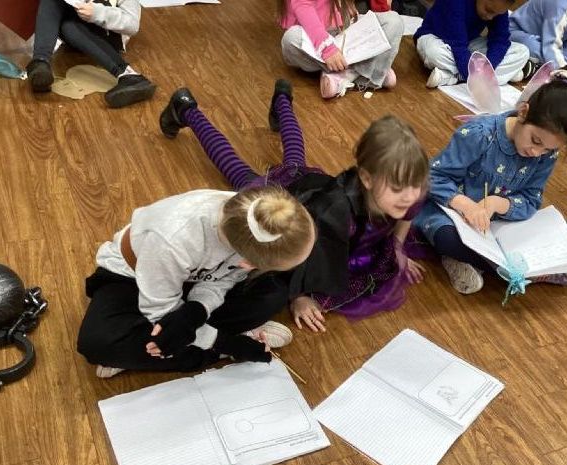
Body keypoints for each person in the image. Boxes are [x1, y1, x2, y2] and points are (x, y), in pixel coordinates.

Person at [158, 80, 429, 332]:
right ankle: (187, 109)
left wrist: (397, 246)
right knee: (236, 168)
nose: (409, 196)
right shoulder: (334, 212)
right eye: (398, 188)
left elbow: (410, 210)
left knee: (295, 157)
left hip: (310, 189)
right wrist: (299, 295)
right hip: (282, 200)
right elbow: (305, 251)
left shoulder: (406, 191)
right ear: (367, 179)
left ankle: (282, 99)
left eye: (415, 186)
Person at [76, 185, 316, 378]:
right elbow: (160, 310)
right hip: (134, 277)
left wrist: (197, 309)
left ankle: (145, 353)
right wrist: (226, 343)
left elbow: (220, 278)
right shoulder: (172, 242)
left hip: (194, 276)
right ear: (248, 263)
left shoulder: (250, 223)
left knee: (273, 294)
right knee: (97, 343)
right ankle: (216, 349)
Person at [412, 76, 567, 294]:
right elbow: (432, 176)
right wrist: (466, 205)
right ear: (523, 112)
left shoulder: (546, 155)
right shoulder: (480, 134)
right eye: (535, 141)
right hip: (456, 216)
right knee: (446, 237)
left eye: (547, 150)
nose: (537, 153)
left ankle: (487, 265)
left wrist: (496, 203)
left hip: (502, 225)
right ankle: (524, 271)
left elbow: (531, 199)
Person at [26, 0, 155, 108]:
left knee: (69, 27)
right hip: (77, 26)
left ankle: (129, 75)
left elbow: (132, 25)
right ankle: (40, 62)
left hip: (108, 34)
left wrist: (97, 13)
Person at [278, 0, 403, 98]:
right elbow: (303, 6)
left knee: (393, 21)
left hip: (344, 32)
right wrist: (327, 48)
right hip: (314, 40)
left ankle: (344, 76)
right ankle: (370, 71)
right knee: (291, 38)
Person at [413, 0, 530, 88]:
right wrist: (476, 75)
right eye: (488, 10)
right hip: (437, 38)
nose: (490, 17)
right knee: (433, 53)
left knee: (522, 51)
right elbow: (458, 47)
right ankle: (500, 76)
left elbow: (500, 40)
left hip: (469, 42)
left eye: (496, 14)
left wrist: (488, 66)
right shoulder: (455, 3)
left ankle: (451, 77)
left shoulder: (497, 8)